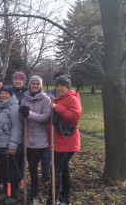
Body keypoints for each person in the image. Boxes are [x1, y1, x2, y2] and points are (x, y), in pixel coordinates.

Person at [47, 75, 82, 205]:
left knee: (55, 170)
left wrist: (56, 107)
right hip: (59, 141)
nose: (59, 88)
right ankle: (65, 196)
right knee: (63, 170)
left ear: (68, 87)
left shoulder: (72, 99)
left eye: (62, 86)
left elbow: (74, 116)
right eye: (58, 86)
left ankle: (53, 199)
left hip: (67, 142)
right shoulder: (60, 99)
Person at [19, 75, 51, 205]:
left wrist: (29, 114)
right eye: (33, 84)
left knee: (32, 166)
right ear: (30, 85)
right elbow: (22, 119)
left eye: (38, 84)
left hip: (40, 141)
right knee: (30, 168)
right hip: (27, 139)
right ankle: (35, 191)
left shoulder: (46, 99)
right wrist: (22, 113)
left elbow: (45, 117)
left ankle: (35, 194)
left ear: (41, 85)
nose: (35, 86)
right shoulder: (25, 99)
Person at [0, 85, 23, 204]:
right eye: (2, 93)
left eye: (6, 93)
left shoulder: (14, 108)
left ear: (11, 95)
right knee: (3, 170)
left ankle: (13, 194)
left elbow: (17, 127)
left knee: (12, 171)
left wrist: (13, 145)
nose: (4, 95)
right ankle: (6, 192)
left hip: (9, 145)